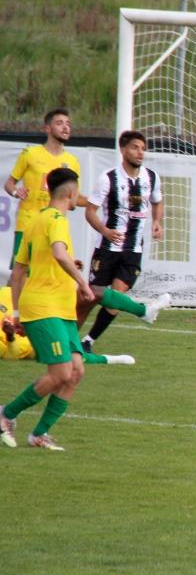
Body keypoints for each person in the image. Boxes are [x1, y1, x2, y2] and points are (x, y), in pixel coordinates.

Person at [0, 168, 96, 451]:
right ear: (70, 194)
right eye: (77, 194)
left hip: (60, 308)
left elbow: (18, 271)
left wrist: (17, 314)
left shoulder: (36, 219)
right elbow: (57, 252)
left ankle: (38, 434)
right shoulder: (55, 218)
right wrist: (83, 282)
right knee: (61, 373)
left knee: (76, 370)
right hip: (46, 307)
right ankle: (6, 414)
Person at [78, 130, 168, 352]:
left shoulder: (151, 177)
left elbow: (157, 202)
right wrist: (105, 231)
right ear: (123, 149)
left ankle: (88, 341)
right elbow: (90, 211)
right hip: (106, 249)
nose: (140, 153)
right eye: (135, 147)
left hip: (133, 249)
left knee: (116, 297)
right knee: (91, 296)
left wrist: (157, 221)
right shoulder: (108, 178)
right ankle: (71, 337)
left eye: (143, 148)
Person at [4, 109, 85, 272]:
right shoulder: (30, 154)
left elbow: (74, 197)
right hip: (28, 224)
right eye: (60, 123)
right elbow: (9, 183)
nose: (65, 127)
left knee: (51, 272)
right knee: (20, 274)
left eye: (68, 124)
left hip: (55, 226)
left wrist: (96, 202)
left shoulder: (72, 161)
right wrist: (15, 192)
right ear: (47, 128)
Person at [1, 285, 134, 364]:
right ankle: (110, 359)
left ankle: (143, 311)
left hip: (47, 311)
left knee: (92, 293)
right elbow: (12, 357)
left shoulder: (6, 293)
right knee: (73, 359)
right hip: (44, 338)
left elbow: (25, 289)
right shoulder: (22, 341)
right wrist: (10, 336)